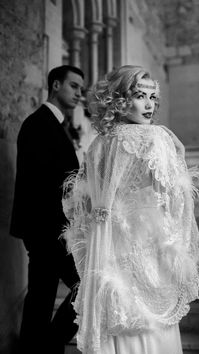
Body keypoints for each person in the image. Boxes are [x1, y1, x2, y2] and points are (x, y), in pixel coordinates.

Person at [62, 65, 199, 354]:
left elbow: (82, 205)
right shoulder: (156, 137)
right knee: (150, 323)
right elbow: (173, 195)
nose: (149, 105)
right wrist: (178, 152)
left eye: (152, 97)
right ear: (119, 99)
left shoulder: (98, 144)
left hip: (110, 250)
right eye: (139, 95)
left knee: (117, 317)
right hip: (147, 249)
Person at [10, 65, 84, 354]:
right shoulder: (39, 124)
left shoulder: (55, 125)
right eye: (74, 86)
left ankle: (41, 346)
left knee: (42, 299)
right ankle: (49, 344)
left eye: (81, 88)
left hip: (51, 229)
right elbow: (41, 184)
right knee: (86, 285)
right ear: (55, 85)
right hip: (47, 230)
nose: (80, 93)